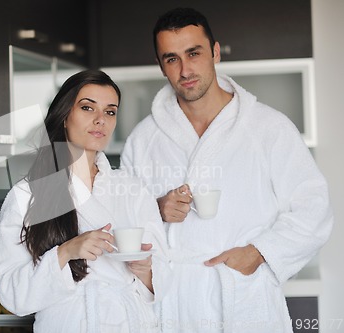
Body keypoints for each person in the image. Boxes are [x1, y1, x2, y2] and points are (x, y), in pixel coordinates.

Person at [120, 7, 333, 333]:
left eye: (194, 53)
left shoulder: (268, 127)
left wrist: (259, 253)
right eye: (172, 58)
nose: (185, 69)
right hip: (175, 307)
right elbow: (124, 224)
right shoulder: (143, 139)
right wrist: (155, 208)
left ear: (215, 52)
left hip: (244, 300)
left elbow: (314, 209)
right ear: (161, 66)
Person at [0, 70, 171, 333]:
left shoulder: (133, 189)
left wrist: (145, 269)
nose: (101, 120)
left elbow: (165, 280)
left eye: (110, 112)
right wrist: (66, 252)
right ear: (65, 116)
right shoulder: (27, 196)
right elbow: (13, 296)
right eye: (88, 108)